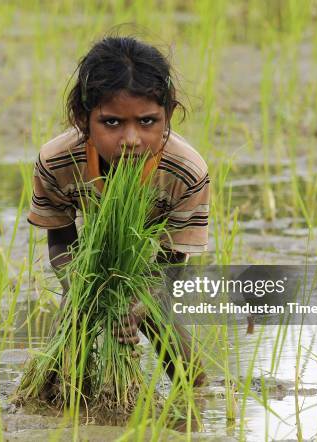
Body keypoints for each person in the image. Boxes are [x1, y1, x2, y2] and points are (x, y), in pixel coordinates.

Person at [28, 36, 209, 392]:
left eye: (147, 121)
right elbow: (62, 243)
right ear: (82, 118)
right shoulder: (57, 162)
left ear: (168, 114)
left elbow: (171, 263)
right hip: (89, 259)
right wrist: (83, 289)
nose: (131, 139)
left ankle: (196, 399)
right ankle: (52, 394)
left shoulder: (185, 172)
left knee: (164, 323)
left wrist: (137, 305)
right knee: (68, 334)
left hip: (153, 265)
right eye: (111, 123)